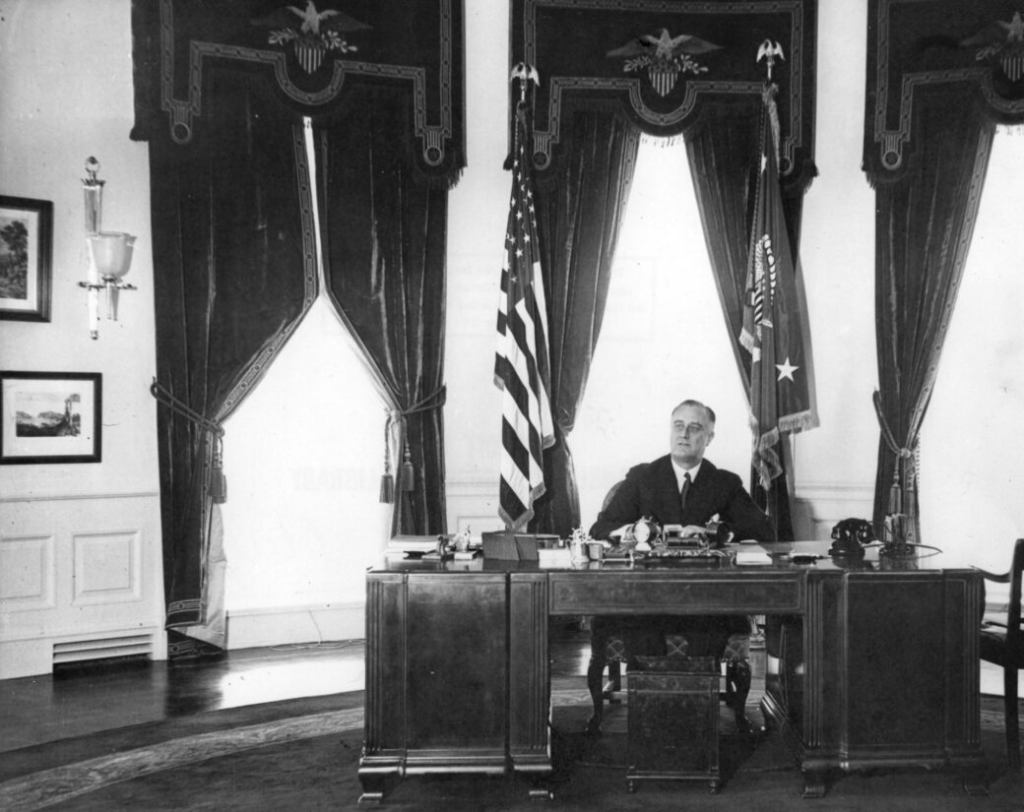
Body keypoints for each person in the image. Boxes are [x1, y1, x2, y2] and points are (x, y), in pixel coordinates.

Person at [584, 399, 775, 734]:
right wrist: (633, 531)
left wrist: (718, 531)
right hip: (646, 600)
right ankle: (652, 726)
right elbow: (600, 529)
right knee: (641, 634)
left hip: (706, 602)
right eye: (678, 426)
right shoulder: (643, 477)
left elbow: (764, 530)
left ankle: (697, 729)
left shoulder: (724, 483)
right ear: (669, 431)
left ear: (709, 438)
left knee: (709, 633)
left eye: (695, 428)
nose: (684, 434)